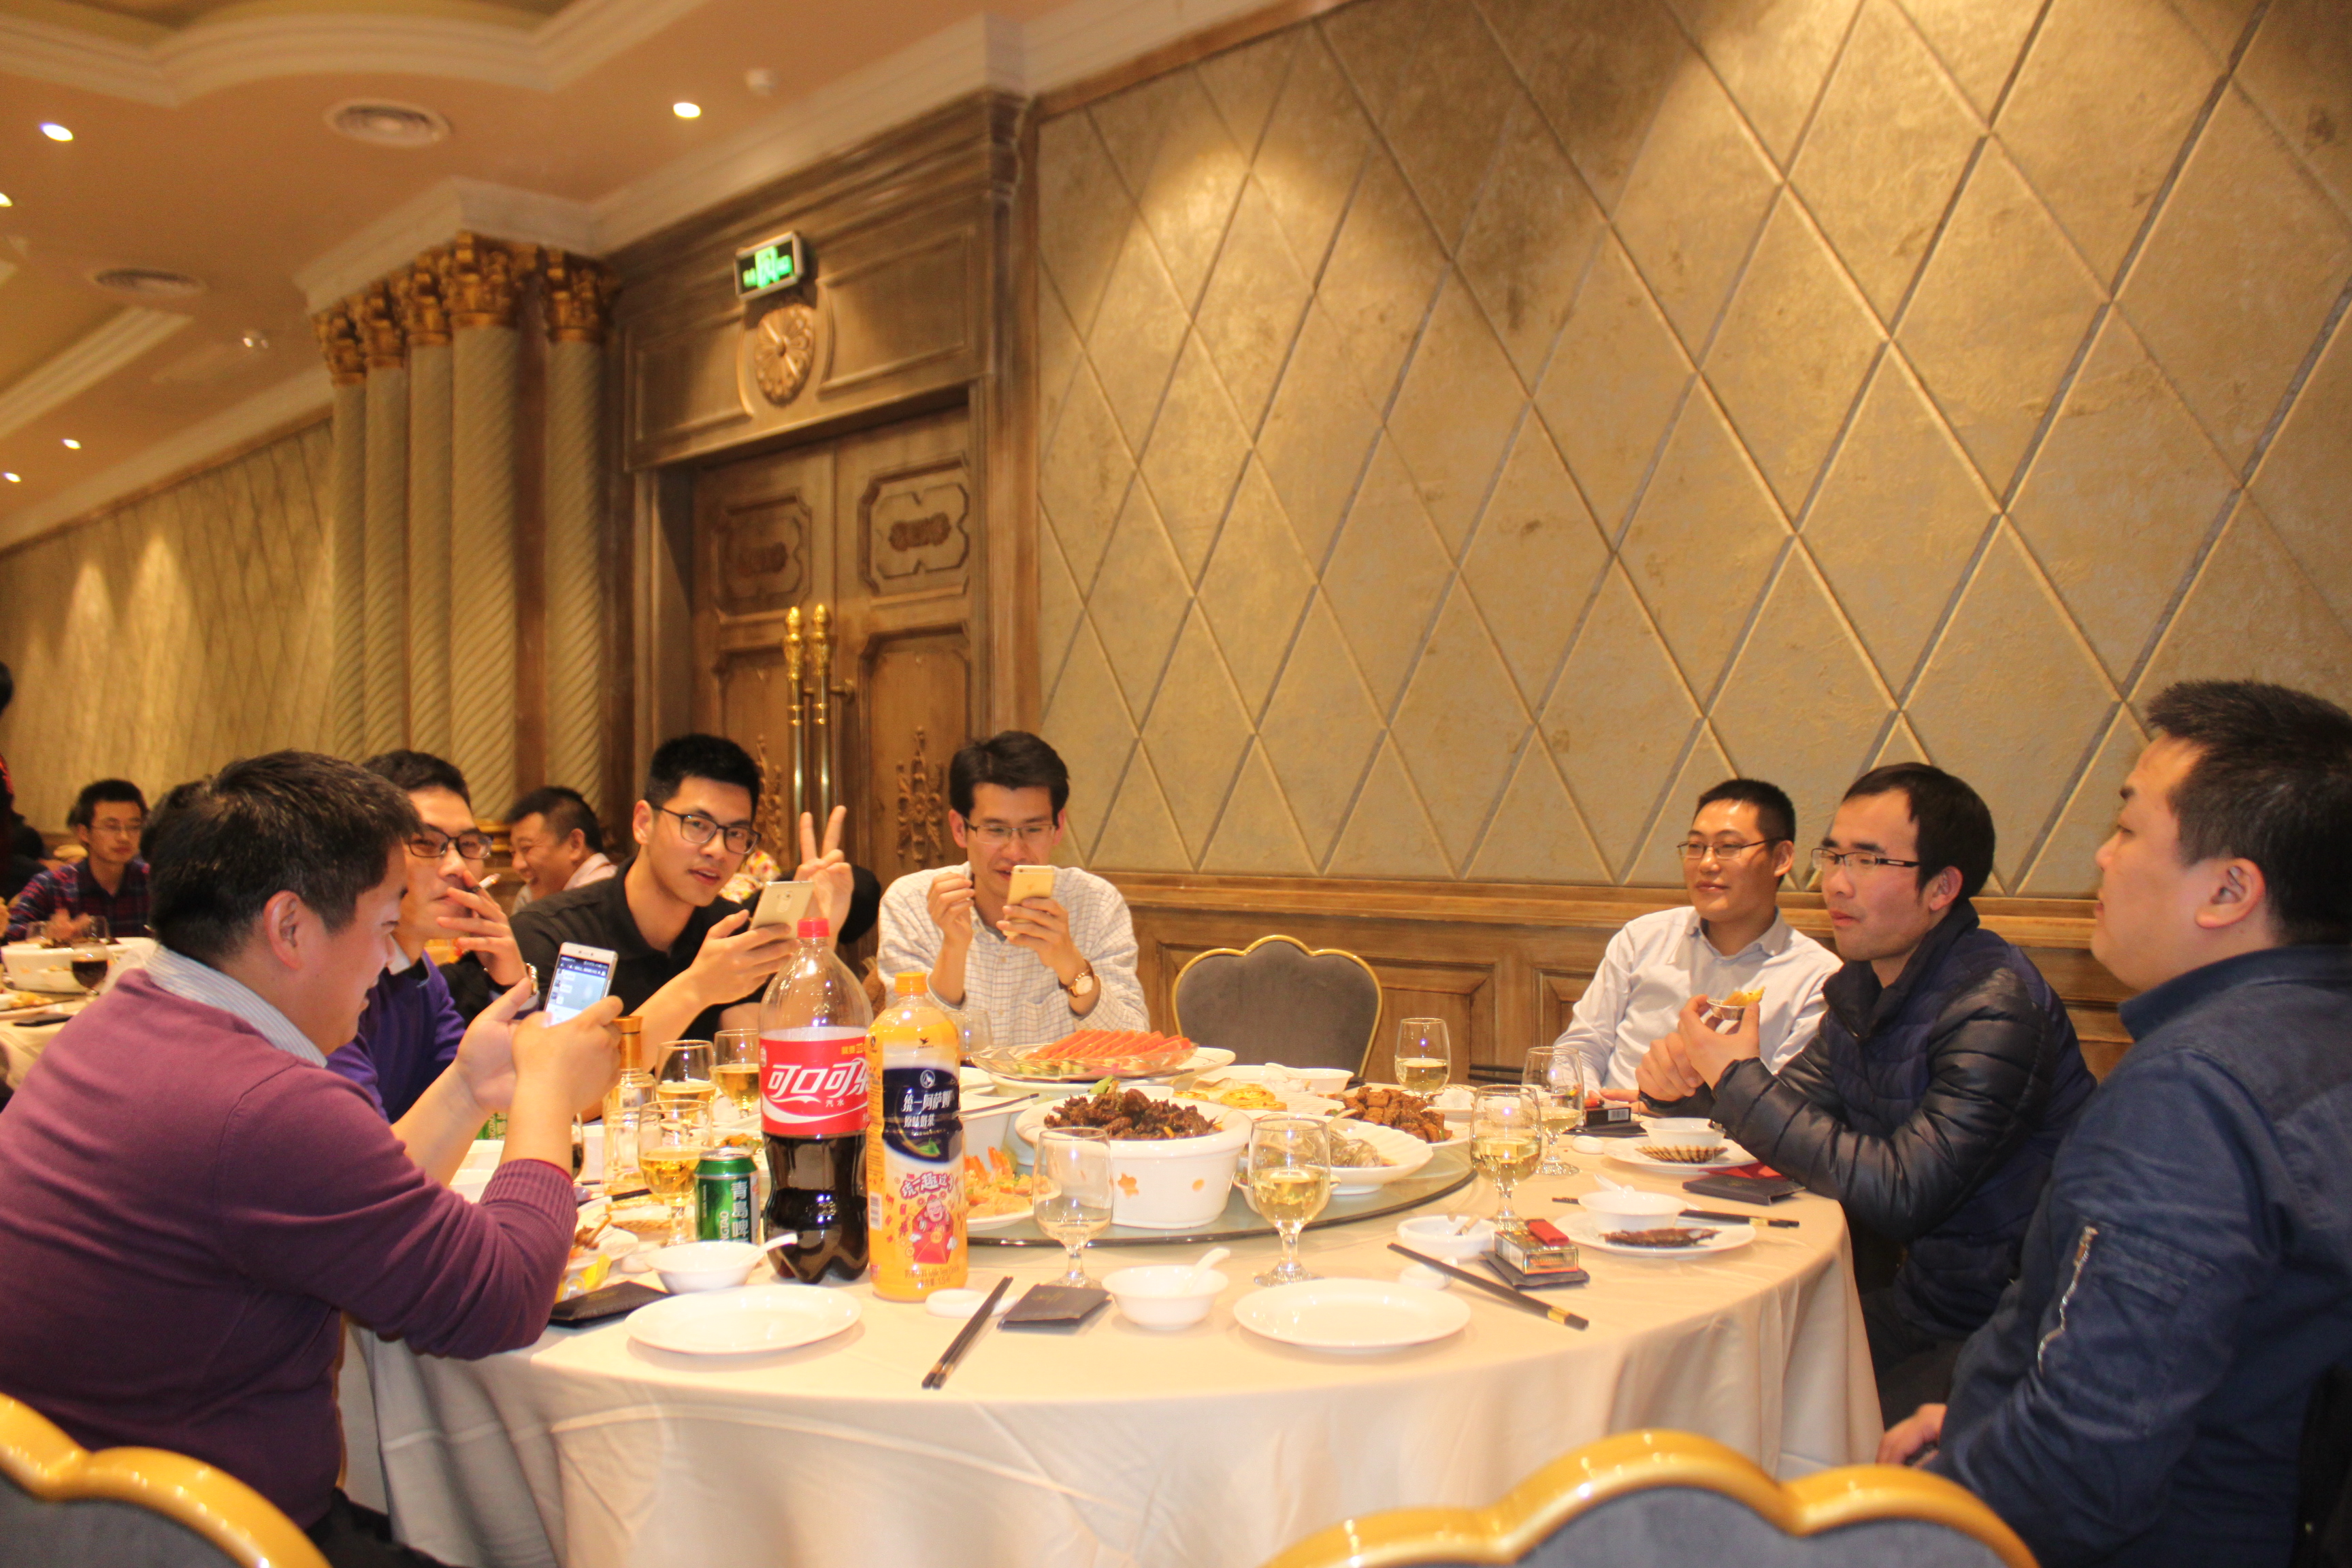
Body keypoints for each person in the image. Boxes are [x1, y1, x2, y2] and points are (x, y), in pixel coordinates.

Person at [0, 750, 623, 1567]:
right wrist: (546, 1093)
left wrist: (471, 1087)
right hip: (202, 1538)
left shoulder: (122, 1020)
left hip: (60, 1519)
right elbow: (500, 1297)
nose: (389, 960)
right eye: (384, 927)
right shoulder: (262, 1101)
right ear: (289, 927)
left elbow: (355, 1199)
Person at [1878, 683, 2352, 1567]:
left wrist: (1918, 1514)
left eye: (2128, 828)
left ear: (2228, 891)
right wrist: (1984, 1421)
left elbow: (2080, 1468)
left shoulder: (2193, 1094)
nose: (2101, 855)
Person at [1639, 762, 2094, 1423]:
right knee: (1704, 1373)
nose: (1835, 882)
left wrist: (1735, 1078)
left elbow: (1904, 1190)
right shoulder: (1864, 988)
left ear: (1942, 887)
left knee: (1758, 1406)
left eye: (1868, 861)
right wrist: (1685, 1089)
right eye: (1833, 856)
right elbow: (1789, 1117)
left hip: (2000, 1332)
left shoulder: (1994, 1007)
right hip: (1911, 1300)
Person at [512, 734, 854, 1047]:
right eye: (697, 825)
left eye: (736, 834)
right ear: (644, 823)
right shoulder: (550, 933)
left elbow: (766, 1054)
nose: (717, 850)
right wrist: (698, 988)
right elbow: (565, 1078)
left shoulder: (730, 931)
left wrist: (821, 940)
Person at [1552, 778, 1839, 1095]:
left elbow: (1786, 1106)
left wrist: (1660, 1107)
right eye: (1696, 847)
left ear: (1781, 858)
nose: (1707, 864)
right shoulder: (1642, 939)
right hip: (1608, 1120)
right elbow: (1578, 1051)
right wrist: (1592, 1105)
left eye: (1729, 847)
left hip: (1727, 1128)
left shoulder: (1818, 978)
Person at [877, 730, 1146, 1043]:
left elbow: (1136, 1047)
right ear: (960, 829)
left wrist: (1072, 966)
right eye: (996, 830)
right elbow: (905, 1046)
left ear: (1058, 828)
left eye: (1034, 829)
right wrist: (953, 949)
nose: (1015, 852)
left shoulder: (1096, 903)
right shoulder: (912, 902)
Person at [328, 751, 530, 1120]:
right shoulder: (333, 980)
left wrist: (512, 987)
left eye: (468, 844)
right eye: (425, 842)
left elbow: (485, 1102)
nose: (456, 866)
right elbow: (366, 1143)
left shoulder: (423, 975)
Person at [5, 778, 152, 941]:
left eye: (134, 827)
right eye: (111, 827)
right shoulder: (52, 885)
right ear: (84, 833)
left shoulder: (154, 882)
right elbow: (10, 932)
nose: (124, 837)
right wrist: (47, 932)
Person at [506, 785, 617, 910]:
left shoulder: (602, 900)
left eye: (526, 848)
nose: (517, 865)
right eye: (513, 852)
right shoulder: (534, 898)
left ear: (575, 844)